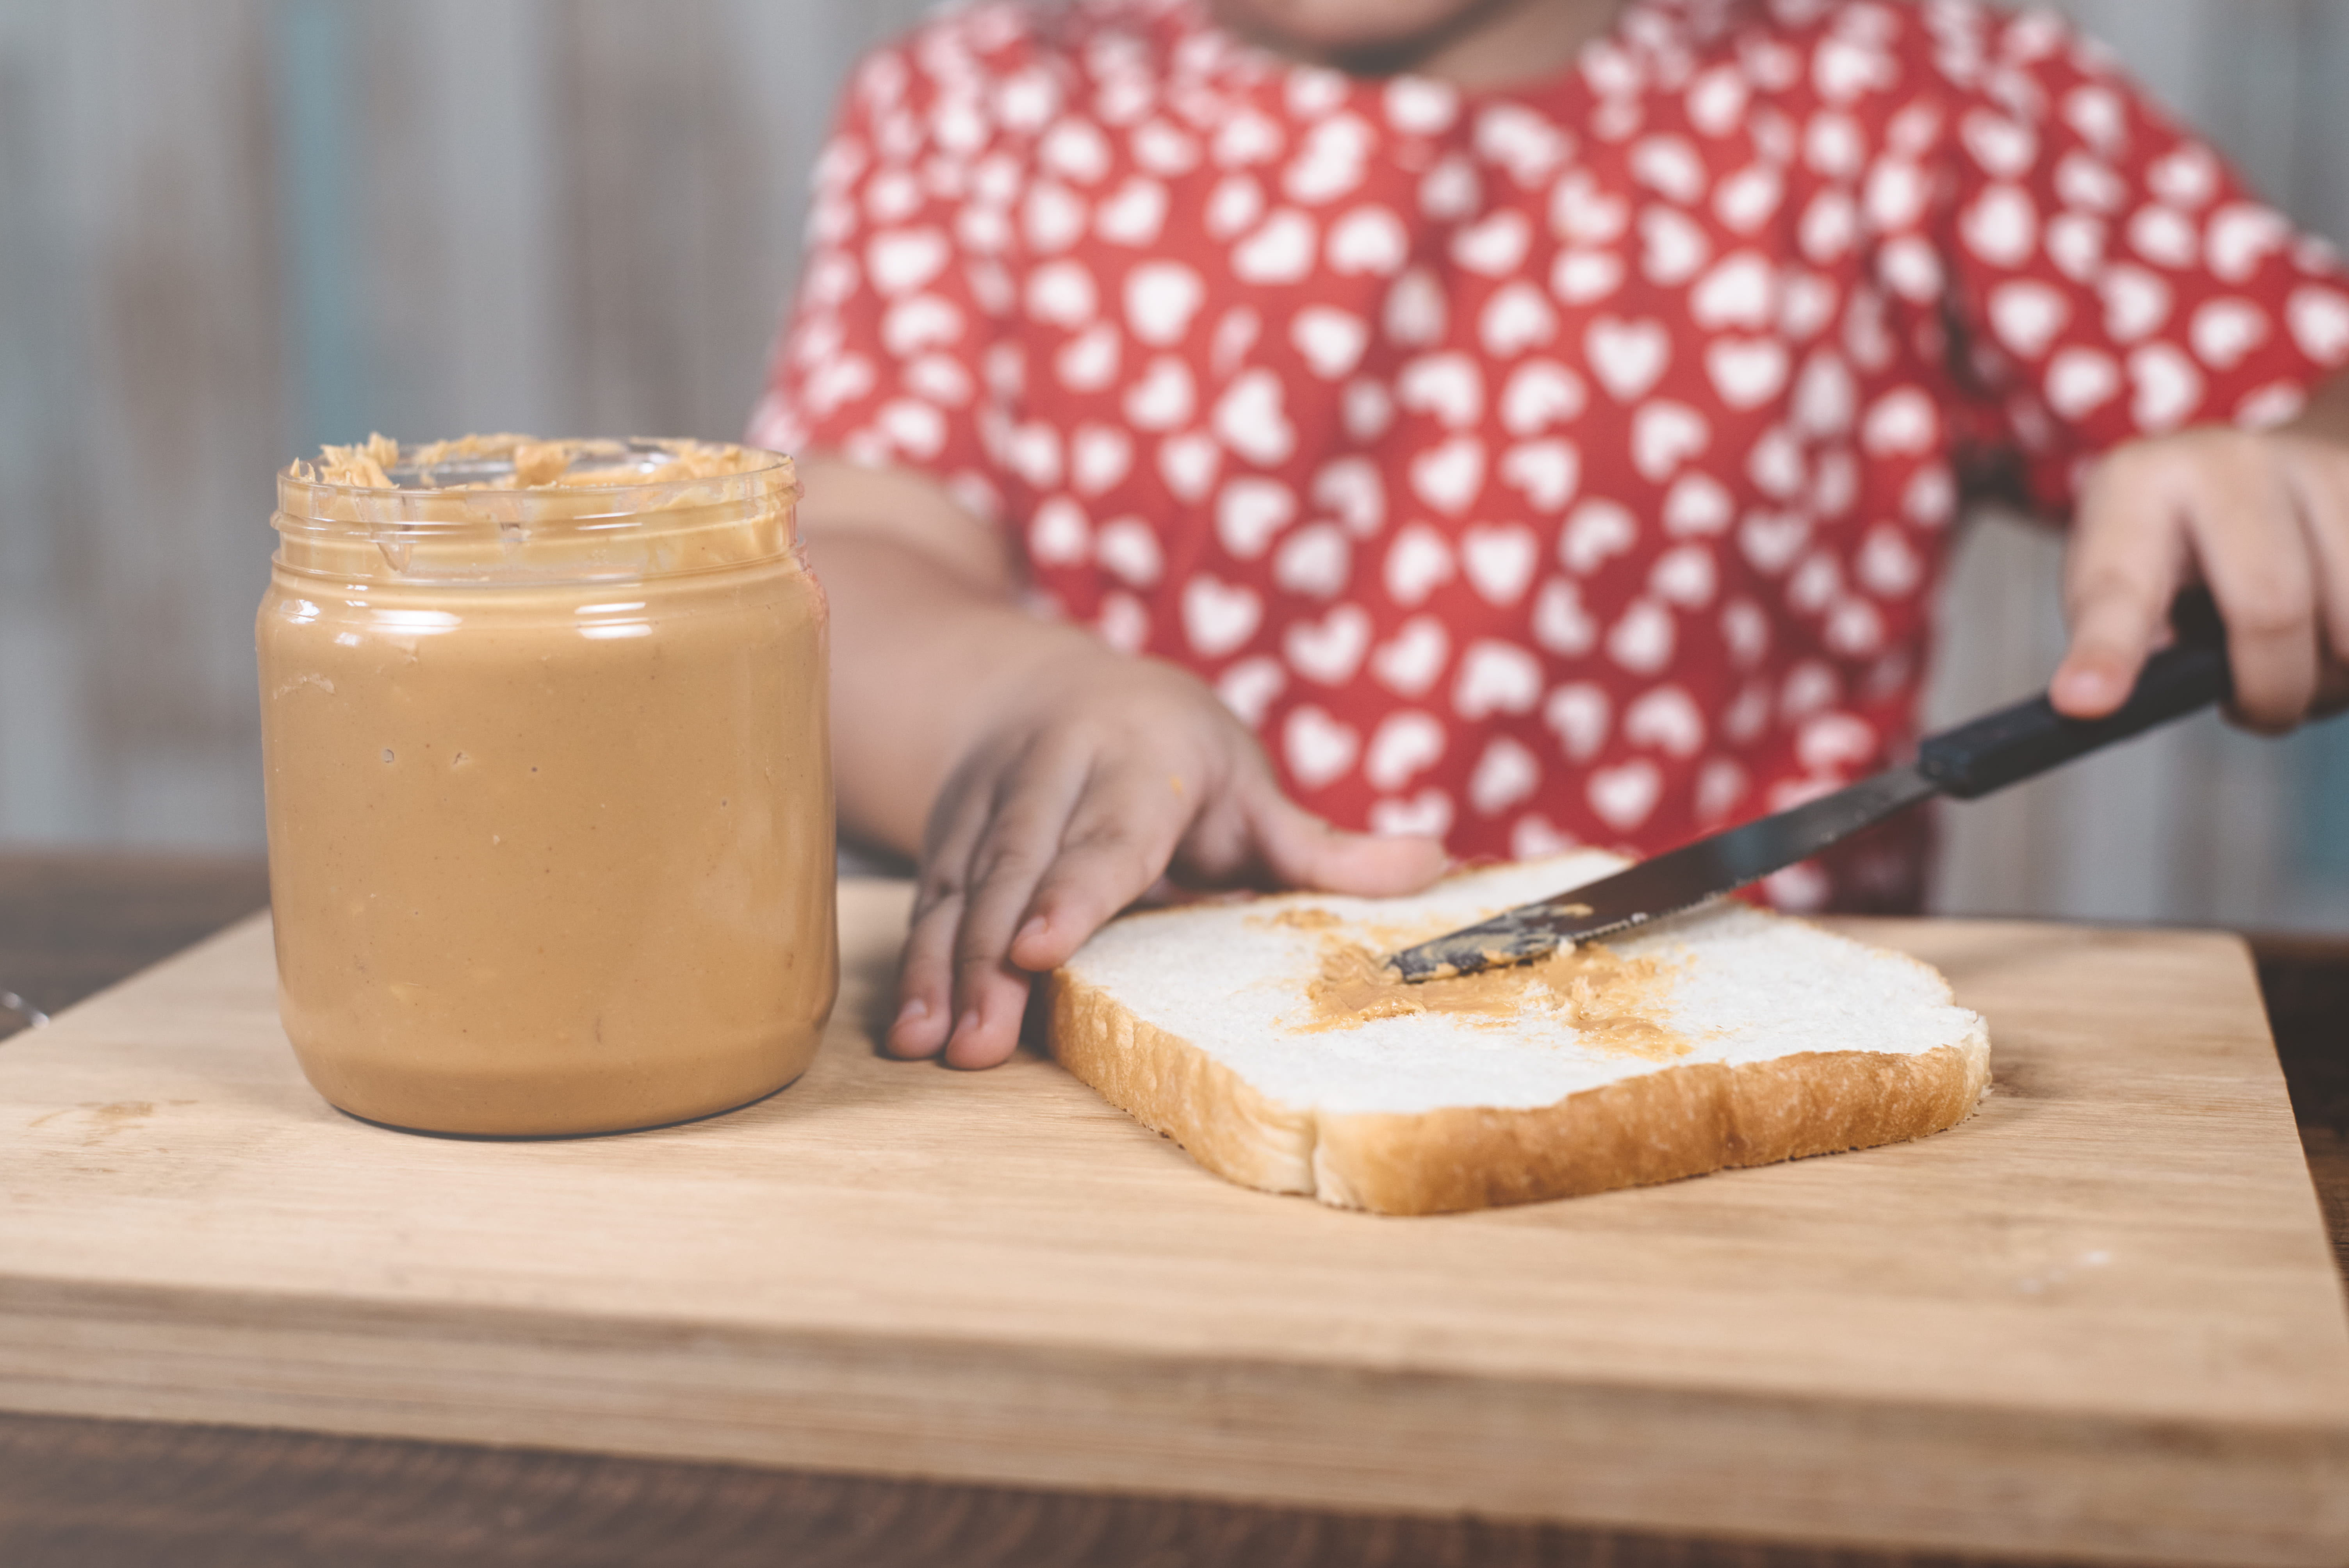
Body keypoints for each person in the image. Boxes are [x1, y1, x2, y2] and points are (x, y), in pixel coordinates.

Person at [749, 0, 2349, 1069]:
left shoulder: (1907, 84)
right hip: (1107, 1115)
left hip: (1758, 1139)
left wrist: (2303, 473)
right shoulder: (989, 92)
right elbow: (850, 559)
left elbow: (2314, 407)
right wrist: (1014, 700)